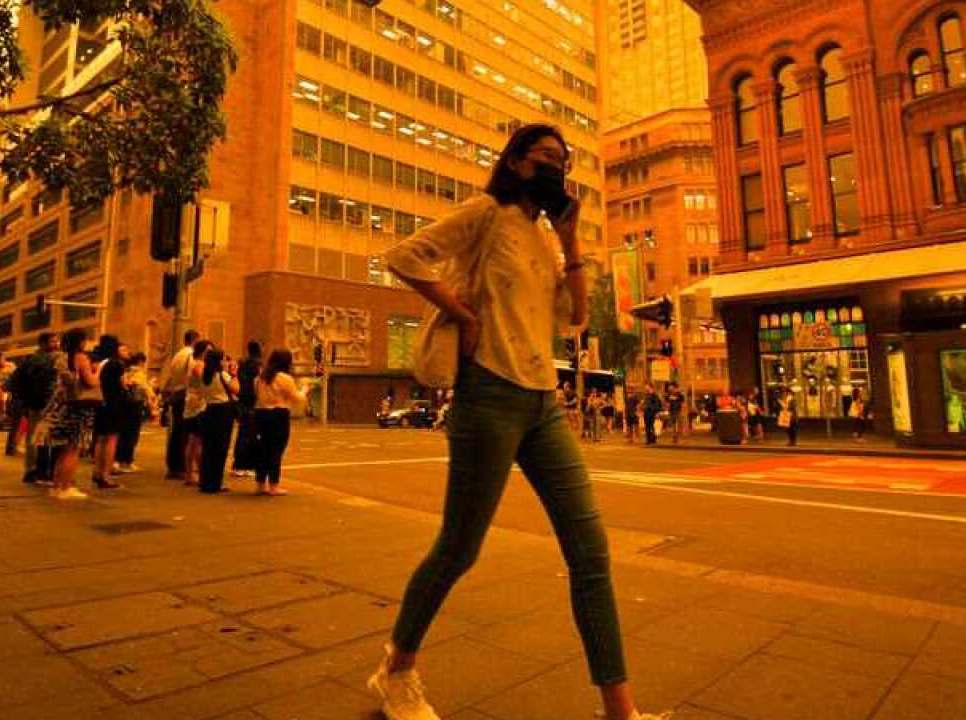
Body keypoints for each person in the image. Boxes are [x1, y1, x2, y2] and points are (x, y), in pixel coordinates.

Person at [372, 124, 668, 720]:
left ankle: (621, 711)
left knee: (591, 553)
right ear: (514, 162)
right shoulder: (486, 213)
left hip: (543, 404)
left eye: (563, 162)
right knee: (459, 549)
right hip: (488, 395)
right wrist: (461, 313)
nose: (556, 169)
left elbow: (576, 315)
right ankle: (396, 669)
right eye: (546, 158)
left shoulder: (543, 237)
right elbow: (404, 256)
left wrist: (571, 239)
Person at [33, 329, 100, 499]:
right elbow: (91, 381)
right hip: (77, 407)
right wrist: (98, 370)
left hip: (62, 406)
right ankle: (66, 487)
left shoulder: (61, 358)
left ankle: (57, 486)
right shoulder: (80, 358)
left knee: (62, 450)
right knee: (72, 449)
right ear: (80, 341)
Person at [253, 349, 307, 496]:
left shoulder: (260, 378)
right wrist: (304, 390)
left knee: (263, 449)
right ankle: (273, 485)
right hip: (278, 416)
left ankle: (260, 484)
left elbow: (256, 396)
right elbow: (297, 398)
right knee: (276, 451)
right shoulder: (285, 378)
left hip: (261, 414)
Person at [11, 333, 61, 483]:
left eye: (57, 341)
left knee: (35, 436)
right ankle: (37, 470)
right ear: (43, 343)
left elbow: (15, 379)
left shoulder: (30, 359)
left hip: (34, 403)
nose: (57, 344)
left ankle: (32, 470)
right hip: (44, 403)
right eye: (53, 341)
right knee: (40, 437)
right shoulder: (49, 359)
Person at [194, 347, 240, 494]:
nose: (225, 362)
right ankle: (215, 484)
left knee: (208, 448)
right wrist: (234, 374)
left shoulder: (204, 375)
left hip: (209, 410)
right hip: (223, 412)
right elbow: (236, 389)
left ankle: (205, 482)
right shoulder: (222, 375)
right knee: (220, 449)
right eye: (223, 359)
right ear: (219, 361)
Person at [159, 329, 202, 479]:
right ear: (195, 340)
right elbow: (192, 375)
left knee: (177, 432)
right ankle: (182, 467)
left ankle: (173, 466)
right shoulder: (191, 355)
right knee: (186, 434)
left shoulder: (177, 355)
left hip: (175, 393)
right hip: (184, 393)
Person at [88, 336, 128, 489]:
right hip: (114, 404)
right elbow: (123, 384)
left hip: (101, 403)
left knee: (100, 438)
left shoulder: (102, 363)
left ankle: (97, 471)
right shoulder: (116, 364)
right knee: (111, 439)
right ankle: (106, 475)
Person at [181, 339, 214, 486]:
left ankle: (190, 474)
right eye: (208, 351)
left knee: (193, 440)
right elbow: (206, 381)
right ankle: (199, 474)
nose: (210, 354)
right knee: (198, 441)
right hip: (198, 404)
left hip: (192, 403)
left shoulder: (194, 363)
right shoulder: (199, 364)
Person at [114, 352, 155, 474]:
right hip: (135, 405)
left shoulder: (127, 371)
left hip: (126, 405)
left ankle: (121, 460)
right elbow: (145, 389)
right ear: (141, 362)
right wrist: (152, 400)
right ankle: (127, 461)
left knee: (124, 433)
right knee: (132, 434)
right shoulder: (139, 373)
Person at [231, 341, 263, 477]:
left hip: (242, 401)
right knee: (251, 435)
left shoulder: (242, 363)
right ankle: (247, 465)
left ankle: (238, 464)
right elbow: (259, 383)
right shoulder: (258, 364)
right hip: (253, 403)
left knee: (243, 433)